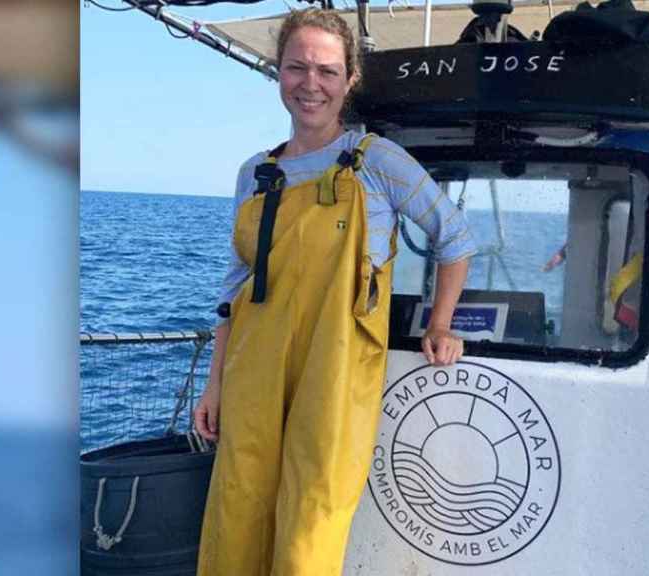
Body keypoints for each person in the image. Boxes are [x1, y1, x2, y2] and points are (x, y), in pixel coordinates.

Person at [192, 9, 476, 576]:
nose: (311, 83)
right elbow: (233, 291)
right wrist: (214, 385)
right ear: (279, 74)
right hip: (252, 370)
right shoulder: (256, 172)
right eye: (297, 68)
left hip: (337, 369)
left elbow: (455, 237)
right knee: (236, 515)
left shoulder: (379, 161)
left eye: (327, 70)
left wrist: (440, 324)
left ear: (349, 81)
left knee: (309, 530)